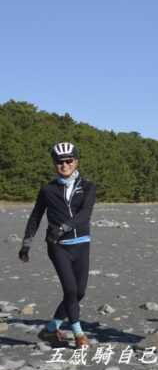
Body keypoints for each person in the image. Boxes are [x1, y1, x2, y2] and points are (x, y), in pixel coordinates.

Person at [19, 142, 96, 349]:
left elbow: (84, 215)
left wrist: (63, 227)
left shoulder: (88, 186)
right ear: (54, 164)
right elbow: (35, 217)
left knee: (79, 293)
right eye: (59, 162)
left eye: (69, 161)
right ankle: (79, 334)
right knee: (70, 290)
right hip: (57, 246)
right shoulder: (48, 189)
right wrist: (26, 244)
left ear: (76, 161)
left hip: (81, 244)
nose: (64, 165)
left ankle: (51, 328)